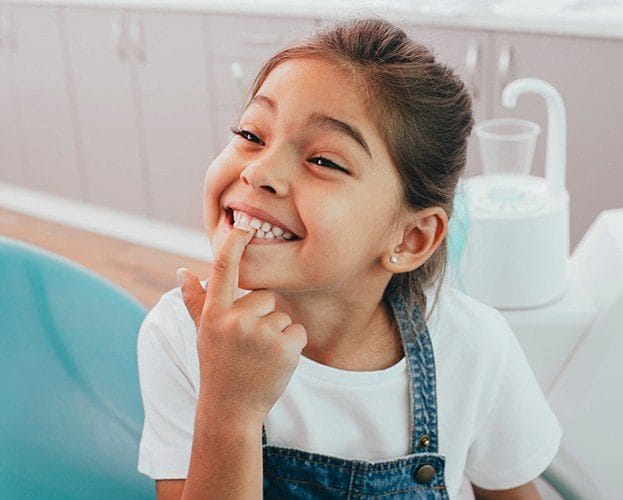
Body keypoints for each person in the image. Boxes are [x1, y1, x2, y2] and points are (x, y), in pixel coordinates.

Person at [136, 16, 562, 499]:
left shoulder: (476, 348)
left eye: (323, 161)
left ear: (411, 240)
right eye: (252, 134)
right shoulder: (180, 336)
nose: (258, 171)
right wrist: (229, 406)